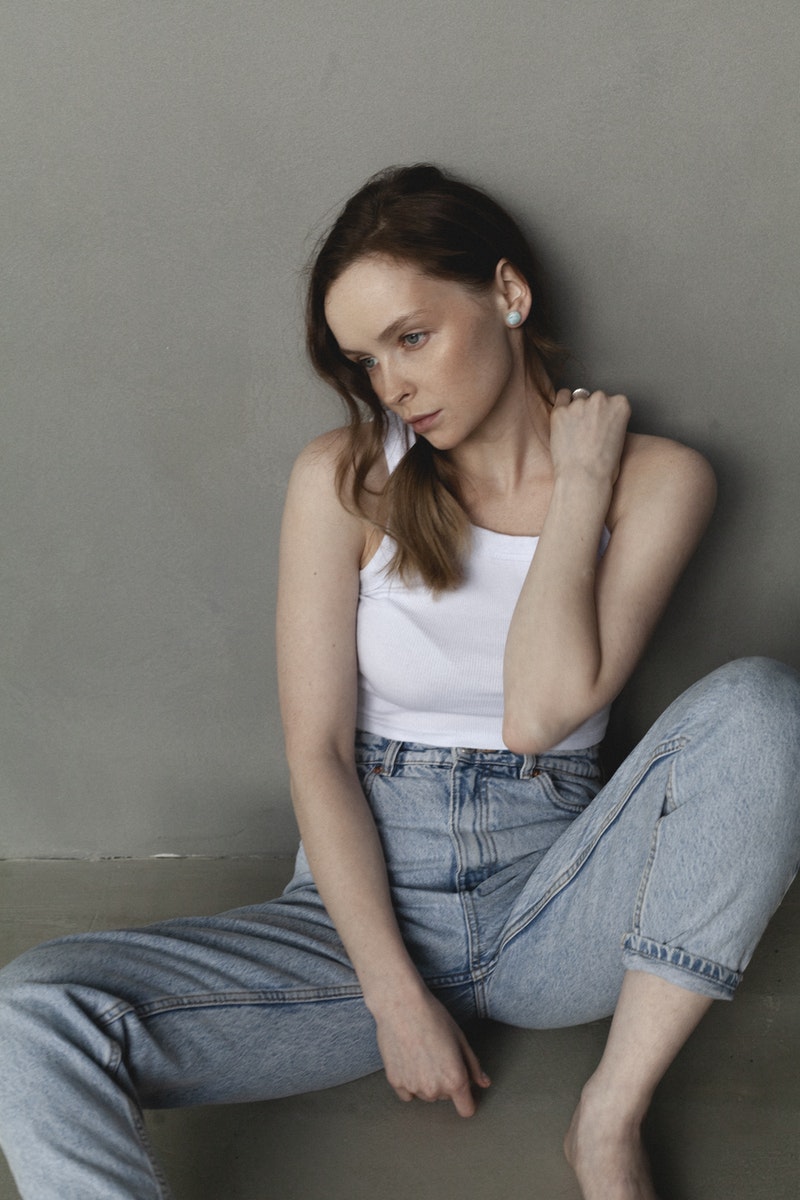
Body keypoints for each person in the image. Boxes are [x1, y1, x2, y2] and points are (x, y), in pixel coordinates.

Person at [0, 164, 798, 1200]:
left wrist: (580, 483)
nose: (393, 387)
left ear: (507, 293)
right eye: (365, 361)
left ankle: (607, 1120)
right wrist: (393, 997)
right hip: (354, 916)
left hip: (554, 904)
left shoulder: (656, 479)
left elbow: (539, 715)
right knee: (34, 1010)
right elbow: (319, 754)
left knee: (763, 704)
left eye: (411, 337)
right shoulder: (342, 480)